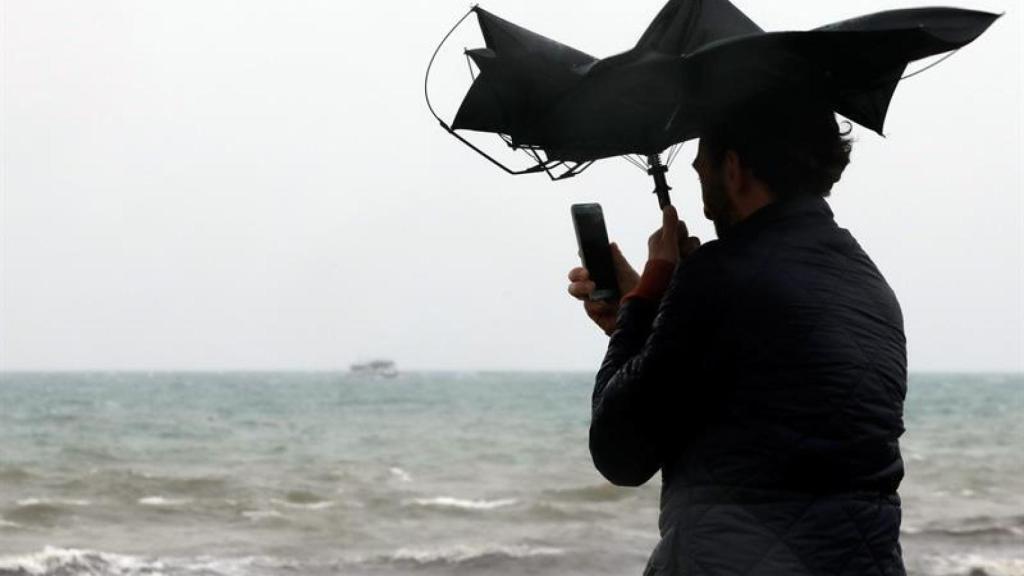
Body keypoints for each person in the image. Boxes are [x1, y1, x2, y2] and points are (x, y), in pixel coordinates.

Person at [567, 98, 908, 576]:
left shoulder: (717, 276)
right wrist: (650, 311)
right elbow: (751, 397)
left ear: (733, 169)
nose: (700, 182)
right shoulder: (870, 286)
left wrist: (649, 292)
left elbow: (618, 451)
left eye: (701, 167)